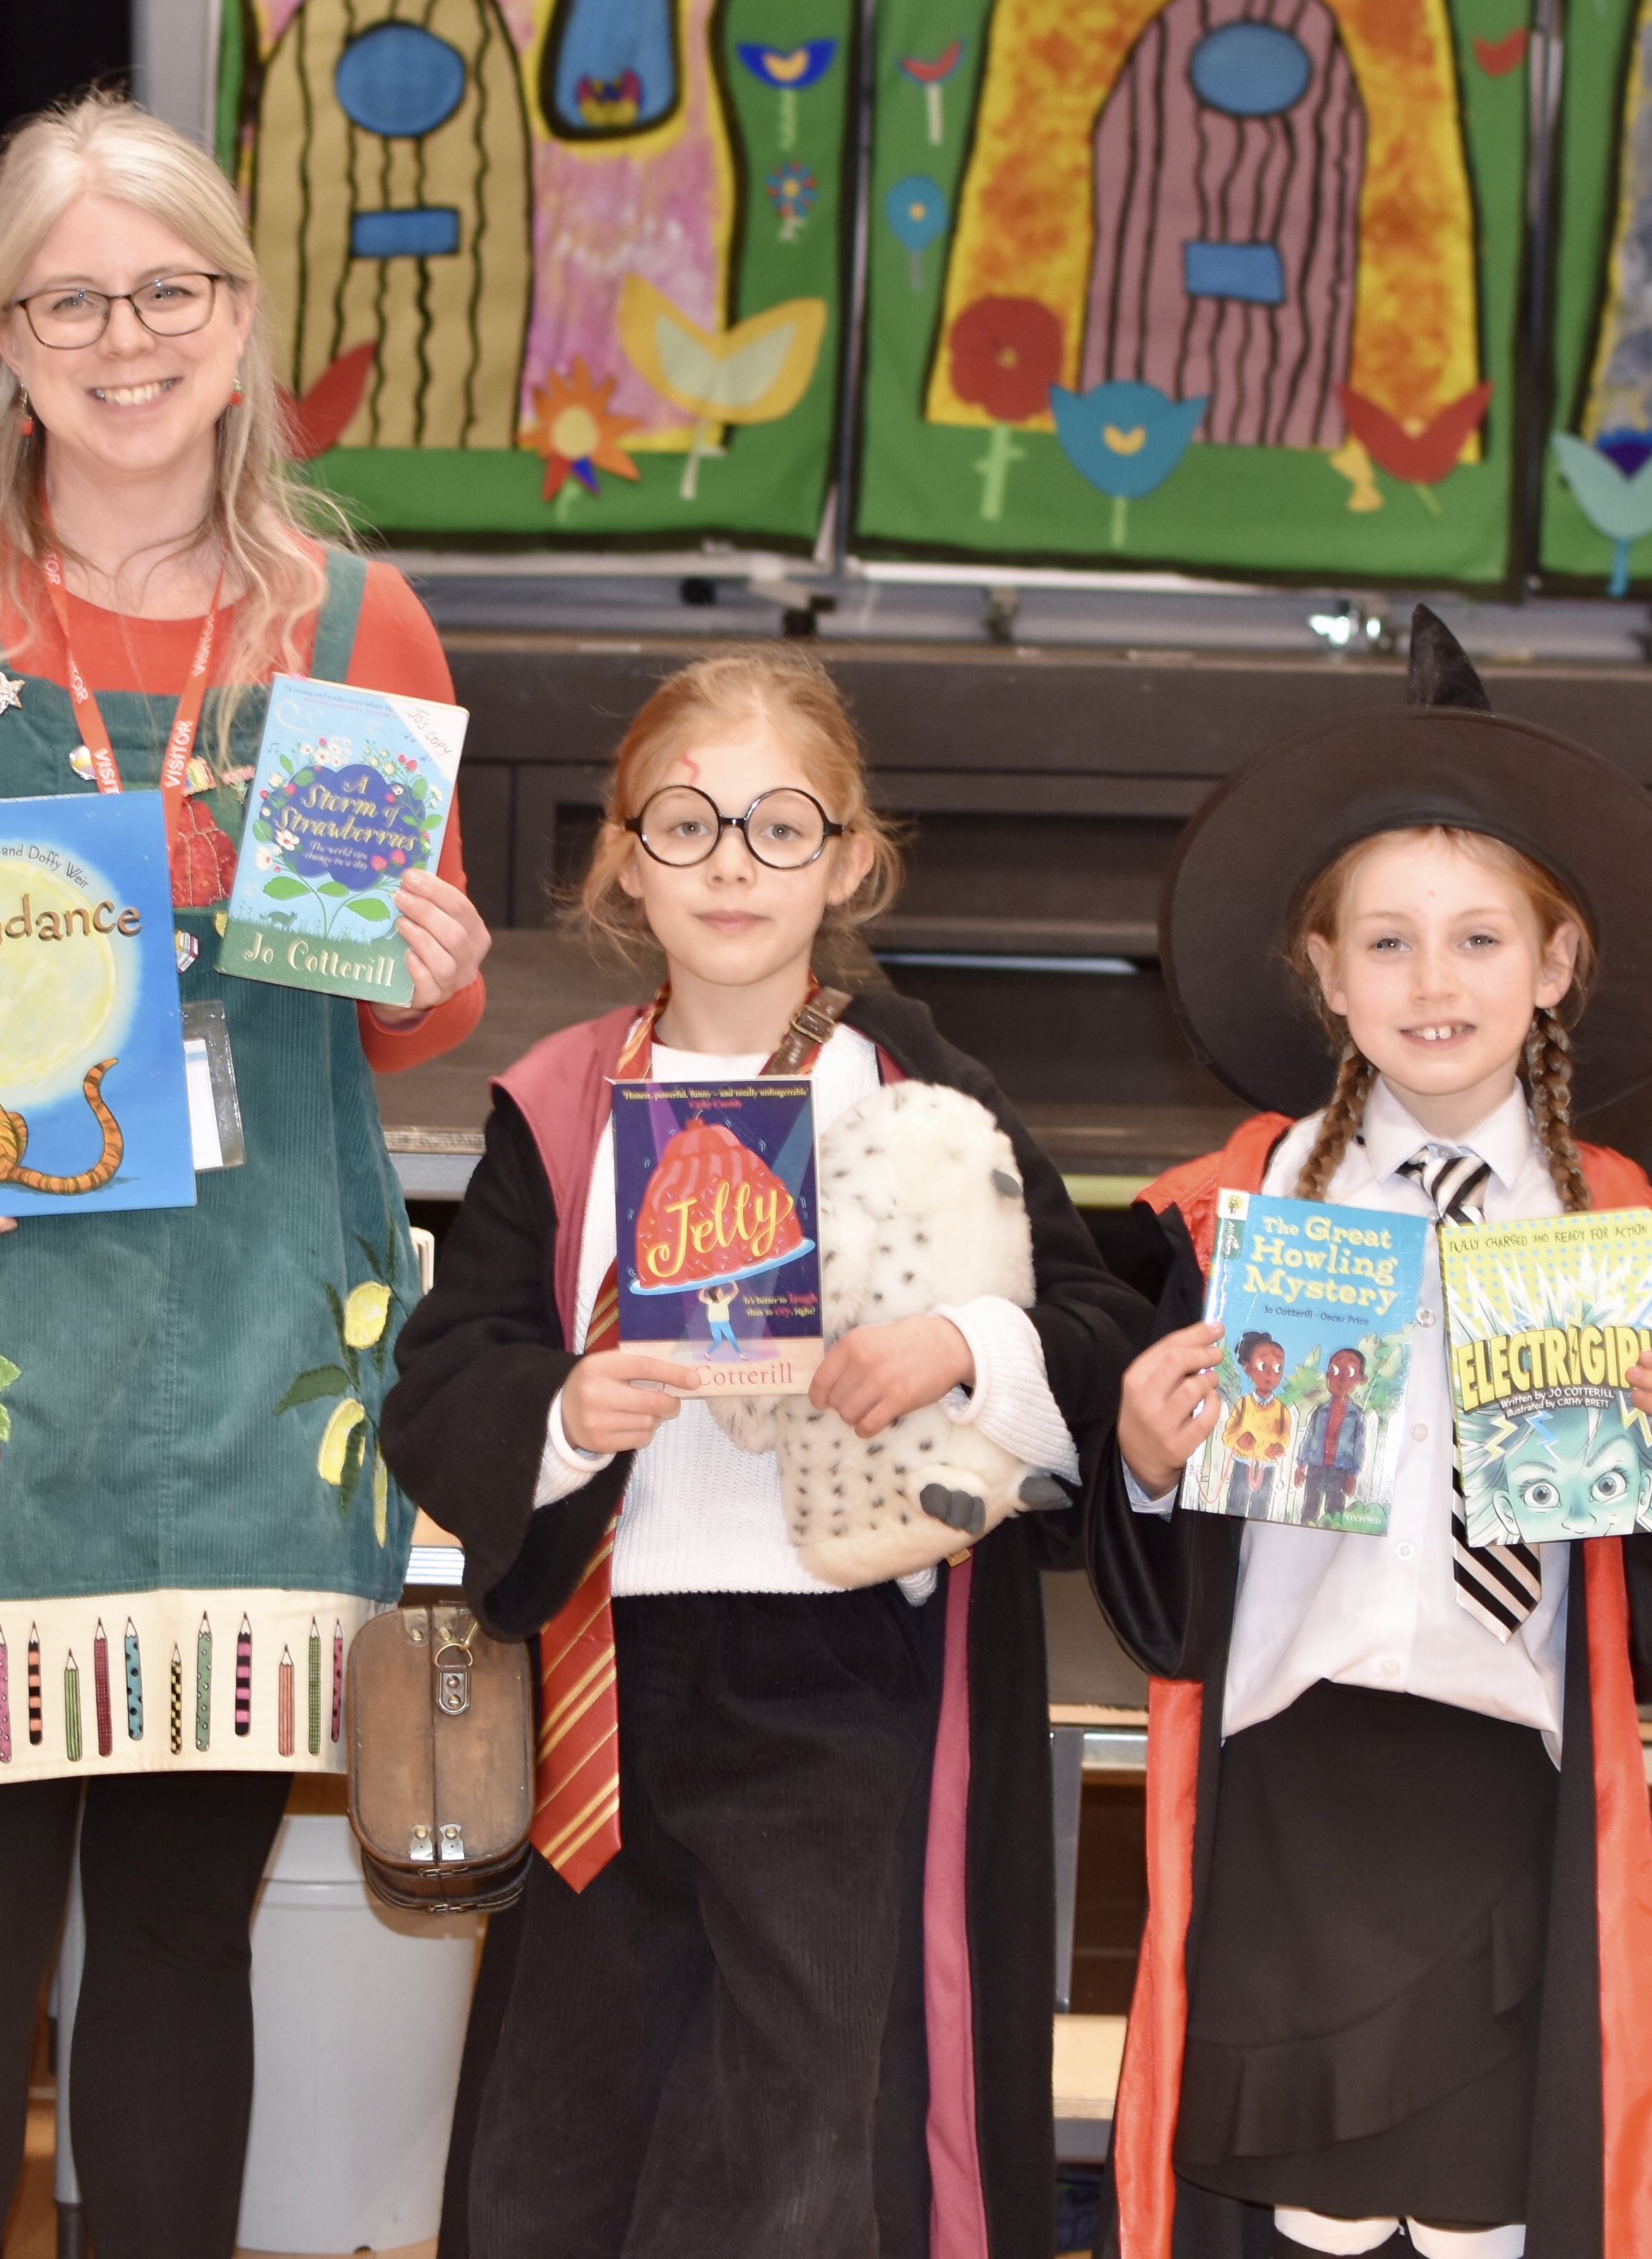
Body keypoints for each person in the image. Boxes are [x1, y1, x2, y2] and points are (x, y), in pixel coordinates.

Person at [0, 94, 489, 2259]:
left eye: (166, 291)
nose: (125, 340)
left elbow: (378, 1036)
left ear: (239, 318)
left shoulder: (356, 627)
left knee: (180, 1937)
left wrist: (436, 972)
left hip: (256, 1370)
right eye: (71, 304)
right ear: (2, 346)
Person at [379, 648, 1146, 2258]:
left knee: (796, 2145)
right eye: (685, 824)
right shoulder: (560, 1100)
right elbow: (444, 1374)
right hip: (600, 1682)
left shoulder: (915, 1085)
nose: (730, 863)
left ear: (848, 861)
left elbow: (1093, 1328)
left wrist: (958, 1343)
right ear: (621, 859)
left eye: (778, 826)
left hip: (843, 1681)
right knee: (558, 2139)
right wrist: (560, 1412)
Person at [1091, 608, 1652, 2259]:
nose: (1432, 981)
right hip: (1285, 1787)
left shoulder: (1617, 1233)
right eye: (1384, 941)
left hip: (1508, 1793)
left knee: (1477, 2228)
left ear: (1554, 963)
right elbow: (1156, 1598)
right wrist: (1145, 1464)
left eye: (1477, 937)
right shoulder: (1234, 1213)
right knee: (1291, 2222)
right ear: (1323, 973)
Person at [1296, 1347, 1369, 1525]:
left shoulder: (1356, 1416)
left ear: (1360, 1379)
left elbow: (1359, 1446)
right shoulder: (1320, 1411)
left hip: (1340, 1470)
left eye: (1349, 1373)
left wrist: (1353, 1474)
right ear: (1328, 1375)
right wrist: (1301, 1465)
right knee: (1310, 1508)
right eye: (1335, 1371)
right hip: (1316, 1466)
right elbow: (1309, 1437)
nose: (1341, 1379)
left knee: (1335, 1511)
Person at [1223, 1330, 1293, 1517]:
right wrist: (1239, 1441)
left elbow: (1285, 1437)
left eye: (1278, 1368)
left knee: (1260, 1511)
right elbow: (1228, 1434)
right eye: (1263, 1365)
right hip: (1243, 1464)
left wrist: (1278, 1448)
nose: (1271, 1374)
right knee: (1235, 1506)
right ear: (1248, 1367)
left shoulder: (1282, 1411)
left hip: (1267, 1468)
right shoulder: (1244, 1405)